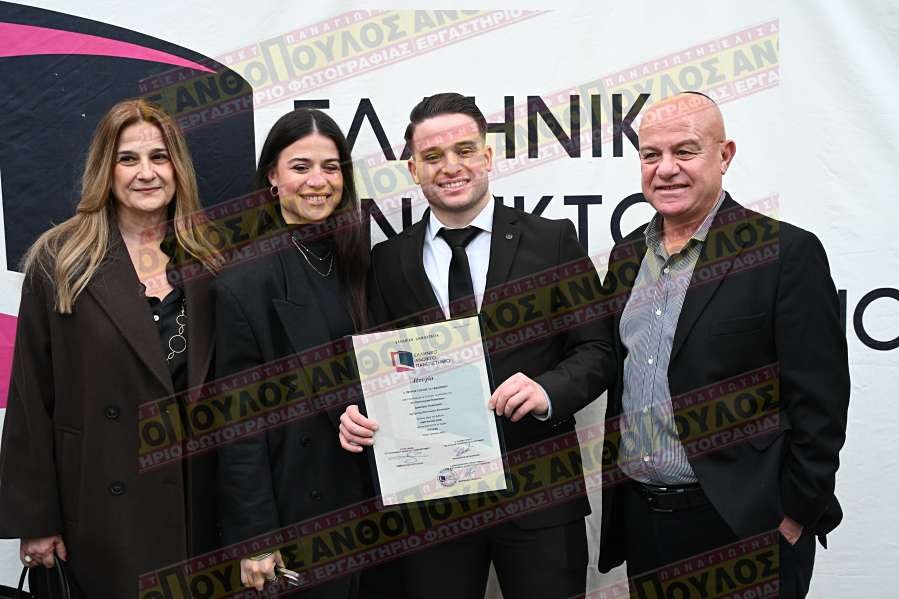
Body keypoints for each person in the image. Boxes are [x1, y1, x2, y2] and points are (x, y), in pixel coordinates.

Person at [338, 93, 615, 599]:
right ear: (414, 169)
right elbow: (375, 371)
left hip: (539, 498)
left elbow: (598, 350)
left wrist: (547, 390)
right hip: (431, 508)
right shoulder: (387, 261)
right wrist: (356, 411)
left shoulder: (552, 241)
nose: (451, 167)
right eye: (432, 156)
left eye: (464, 150)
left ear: (486, 156)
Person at [596, 92, 850, 598]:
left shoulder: (784, 253)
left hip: (745, 529)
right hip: (645, 525)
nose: (666, 169)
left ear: (724, 155)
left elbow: (821, 403)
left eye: (685, 151)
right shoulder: (626, 258)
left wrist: (794, 516)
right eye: (651, 155)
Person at [0, 98, 223, 597]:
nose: (146, 173)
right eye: (128, 159)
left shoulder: (211, 259)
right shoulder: (60, 260)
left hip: (195, 507)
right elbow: (31, 398)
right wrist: (36, 519)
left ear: (178, 168)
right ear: (106, 169)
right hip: (97, 509)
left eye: (159, 157)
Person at [213, 108, 371, 595]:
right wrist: (257, 538)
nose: (318, 181)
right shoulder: (245, 280)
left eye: (330, 167)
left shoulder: (358, 258)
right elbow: (238, 422)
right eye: (301, 167)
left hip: (370, 497)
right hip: (298, 510)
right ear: (273, 177)